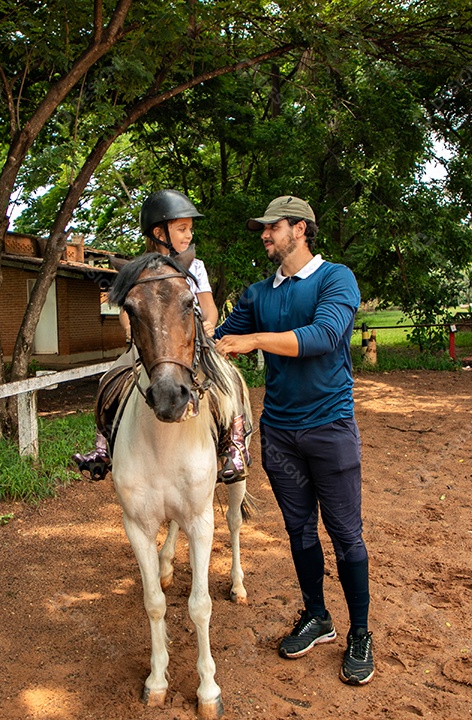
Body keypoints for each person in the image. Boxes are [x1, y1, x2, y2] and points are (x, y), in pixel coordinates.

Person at [213, 195, 373, 686]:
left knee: (345, 535)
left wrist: (257, 340)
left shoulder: (335, 279)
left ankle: (361, 634)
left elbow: (325, 336)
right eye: (262, 228)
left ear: (300, 229)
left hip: (329, 427)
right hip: (279, 433)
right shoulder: (258, 294)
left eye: (272, 227)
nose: (264, 235)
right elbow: (217, 337)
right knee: (299, 531)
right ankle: (317, 617)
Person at [73, 189, 250, 482]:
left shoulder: (195, 266)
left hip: (188, 342)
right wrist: (129, 325)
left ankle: (235, 444)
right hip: (149, 343)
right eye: (182, 228)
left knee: (228, 378)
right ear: (159, 231)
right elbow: (125, 308)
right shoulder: (134, 269)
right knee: (110, 379)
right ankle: (103, 447)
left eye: (190, 229)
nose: (188, 235)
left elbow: (208, 307)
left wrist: (209, 324)